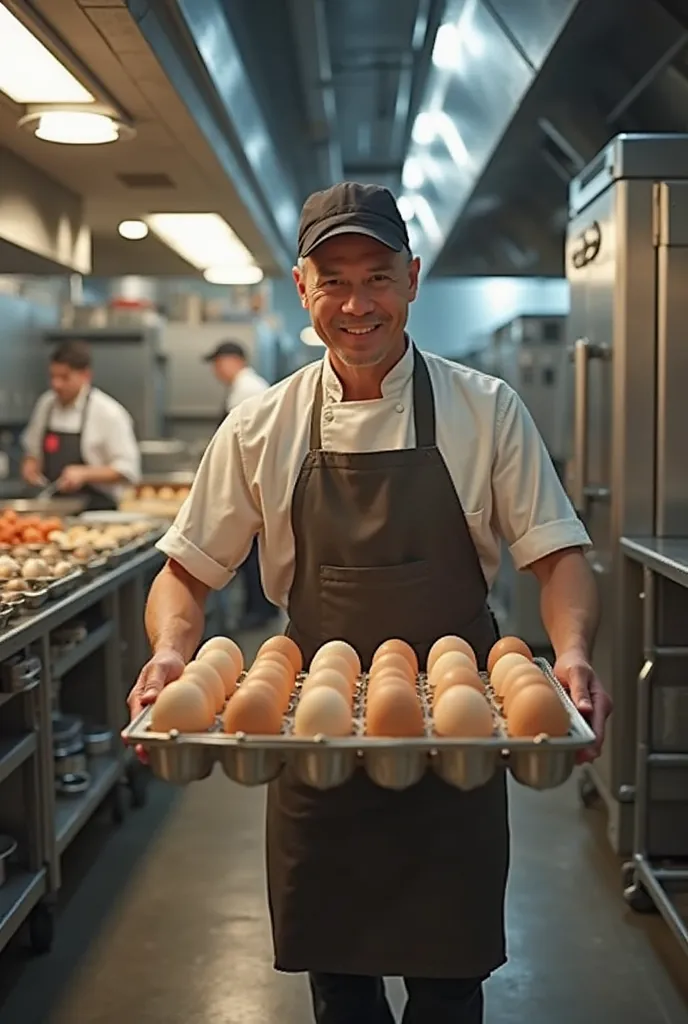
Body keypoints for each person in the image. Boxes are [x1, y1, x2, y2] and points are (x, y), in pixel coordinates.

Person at [128, 182, 613, 1023]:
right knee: (339, 982)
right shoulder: (260, 427)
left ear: (414, 278)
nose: (359, 304)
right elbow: (186, 573)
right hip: (317, 741)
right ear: (302, 288)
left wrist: (568, 654)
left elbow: (559, 554)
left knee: (450, 983)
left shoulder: (485, 410)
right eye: (335, 280)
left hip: (461, 747)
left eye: (379, 277)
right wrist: (172, 652)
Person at [203, 339, 276, 629]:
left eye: (217, 363)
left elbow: (242, 440)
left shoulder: (247, 389)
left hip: (254, 482)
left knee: (253, 552)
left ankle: (259, 611)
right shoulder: (244, 387)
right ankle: (259, 609)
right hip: (255, 480)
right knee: (252, 552)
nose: (215, 370)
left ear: (233, 360)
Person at [22, 340, 140, 512]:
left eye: (64, 377)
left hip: (97, 510)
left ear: (85, 375)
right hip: (51, 508)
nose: (57, 384)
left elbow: (128, 470)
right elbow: (32, 452)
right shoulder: (46, 405)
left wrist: (84, 474)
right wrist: (30, 467)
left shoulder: (108, 413)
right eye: (53, 377)